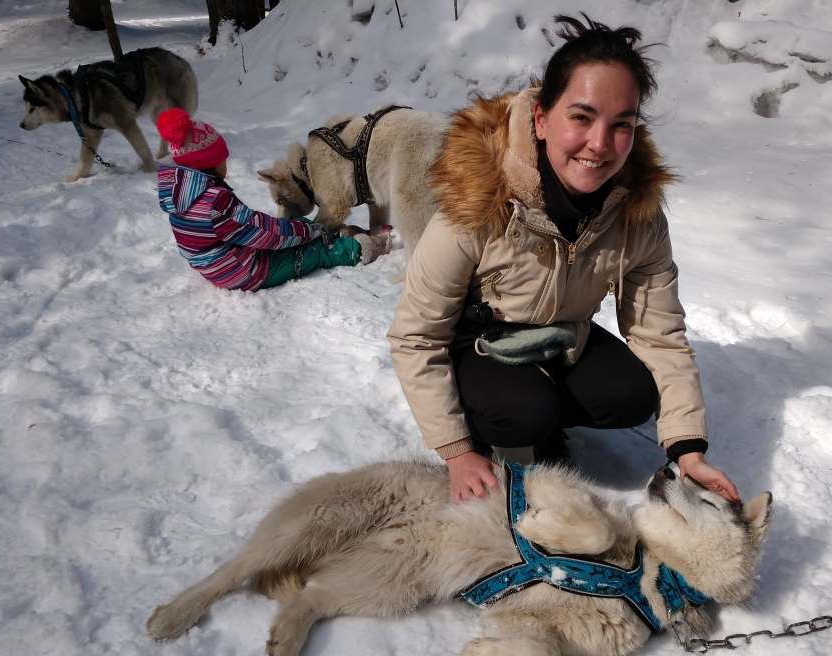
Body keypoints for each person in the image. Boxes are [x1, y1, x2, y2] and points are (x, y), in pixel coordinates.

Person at [387, 15, 740, 503]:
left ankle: (539, 407)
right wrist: (457, 450)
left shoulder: (635, 212)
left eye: (622, 125)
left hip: (559, 337)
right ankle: (507, 419)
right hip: (477, 345)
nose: (600, 144)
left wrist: (687, 449)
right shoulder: (476, 205)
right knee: (524, 411)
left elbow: (660, 336)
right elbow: (416, 336)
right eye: (581, 117)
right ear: (540, 119)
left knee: (632, 394)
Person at [155, 108, 394, 291]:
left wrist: (303, 228)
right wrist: (306, 232)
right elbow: (263, 233)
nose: (225, 163)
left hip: (216, 267)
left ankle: (335, 232)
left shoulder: (181, 192)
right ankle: (367, 246)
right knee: (318, 253)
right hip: (247, 271)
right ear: (209, 163)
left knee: (299, 229)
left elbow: (244, 227)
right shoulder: (214, 201)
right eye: (222, 158)